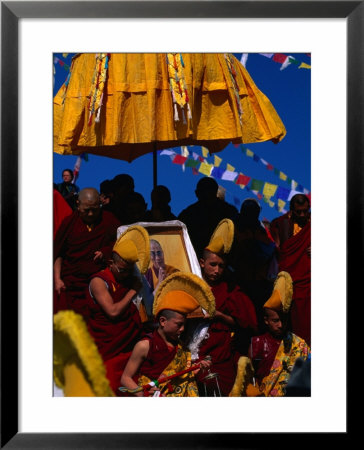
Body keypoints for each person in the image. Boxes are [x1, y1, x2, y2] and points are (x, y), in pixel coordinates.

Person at [185, 219, 258, 396]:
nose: (217, 270)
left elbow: (245, 323)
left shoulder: (229, 289)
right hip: (190, 349)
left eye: (221, 266)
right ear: (202, 263)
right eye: (213, 265)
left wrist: (218, 316)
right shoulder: (190, 284)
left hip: (219, 355)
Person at [120, 272, 214, 397]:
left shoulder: (181, 347)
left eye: (184, 325)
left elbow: (181, 379)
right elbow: (125, 378)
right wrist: (146, 395)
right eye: (179, 324)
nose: (182, 329)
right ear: (163, 321)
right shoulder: (145, 345)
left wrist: (194, 369)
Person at [85, 225, 151, 393]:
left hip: (127, 347)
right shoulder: (99, 281)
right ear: (111, 263)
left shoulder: (126, 281)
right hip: (107, 348)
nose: (125, 274)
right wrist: (132, 291)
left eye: (129, 271)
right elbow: (113, 312)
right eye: (122, 270)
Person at [54, 188, 121, 316]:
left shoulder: (108, 220)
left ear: (100, 205)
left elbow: (120, 244)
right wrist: (57, 279)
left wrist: (105, 252)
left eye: (95, 210)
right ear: (78, 205)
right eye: (86, 210)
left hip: (98, 284)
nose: (90, 214)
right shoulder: (69, 223)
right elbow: (58, 254)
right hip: (71, 284)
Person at [242, 271, 310, 397]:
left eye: (283, 320)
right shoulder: (257, 344)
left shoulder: (298, 345)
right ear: (266, 320)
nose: (280, 325)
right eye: (275, 321)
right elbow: (247, 379)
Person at [229, 198, 278, 334]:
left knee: (260, 319)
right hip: (240, 281)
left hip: (261, 282)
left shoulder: (263, 231)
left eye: (254, 212)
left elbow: (269, 251)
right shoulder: (234, 228)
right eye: (248, 212)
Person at [270, 194, 311, 346]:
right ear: (291, 211)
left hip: (308, 279)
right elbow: (279, 250)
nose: (302, 215)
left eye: (305, 211)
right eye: (298, 212)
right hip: (290, 279)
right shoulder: (281, 224)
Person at [178, 177, 239, 258]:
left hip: (219, 259)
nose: (207, 195)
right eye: (205, 191)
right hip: (199, 257)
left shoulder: (187, 214)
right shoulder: (230, 211)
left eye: (209, 191)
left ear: (196, 193)